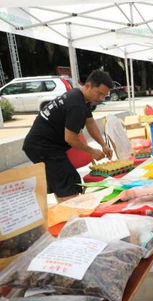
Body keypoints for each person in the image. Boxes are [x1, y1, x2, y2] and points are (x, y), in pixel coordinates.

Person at [22, 70, 114, 203]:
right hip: (43, 147)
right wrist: (91, 151)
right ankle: (71, 216)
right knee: (69, 182)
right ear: (88, 86)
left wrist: (103, 145)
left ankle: (65, 212)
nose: (100, 98)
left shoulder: (80, 97)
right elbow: (70, 138)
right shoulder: (76, 105)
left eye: (104, 96)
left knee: (62, 182)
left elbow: (90, 122)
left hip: (46, 145)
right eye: (99, 93)